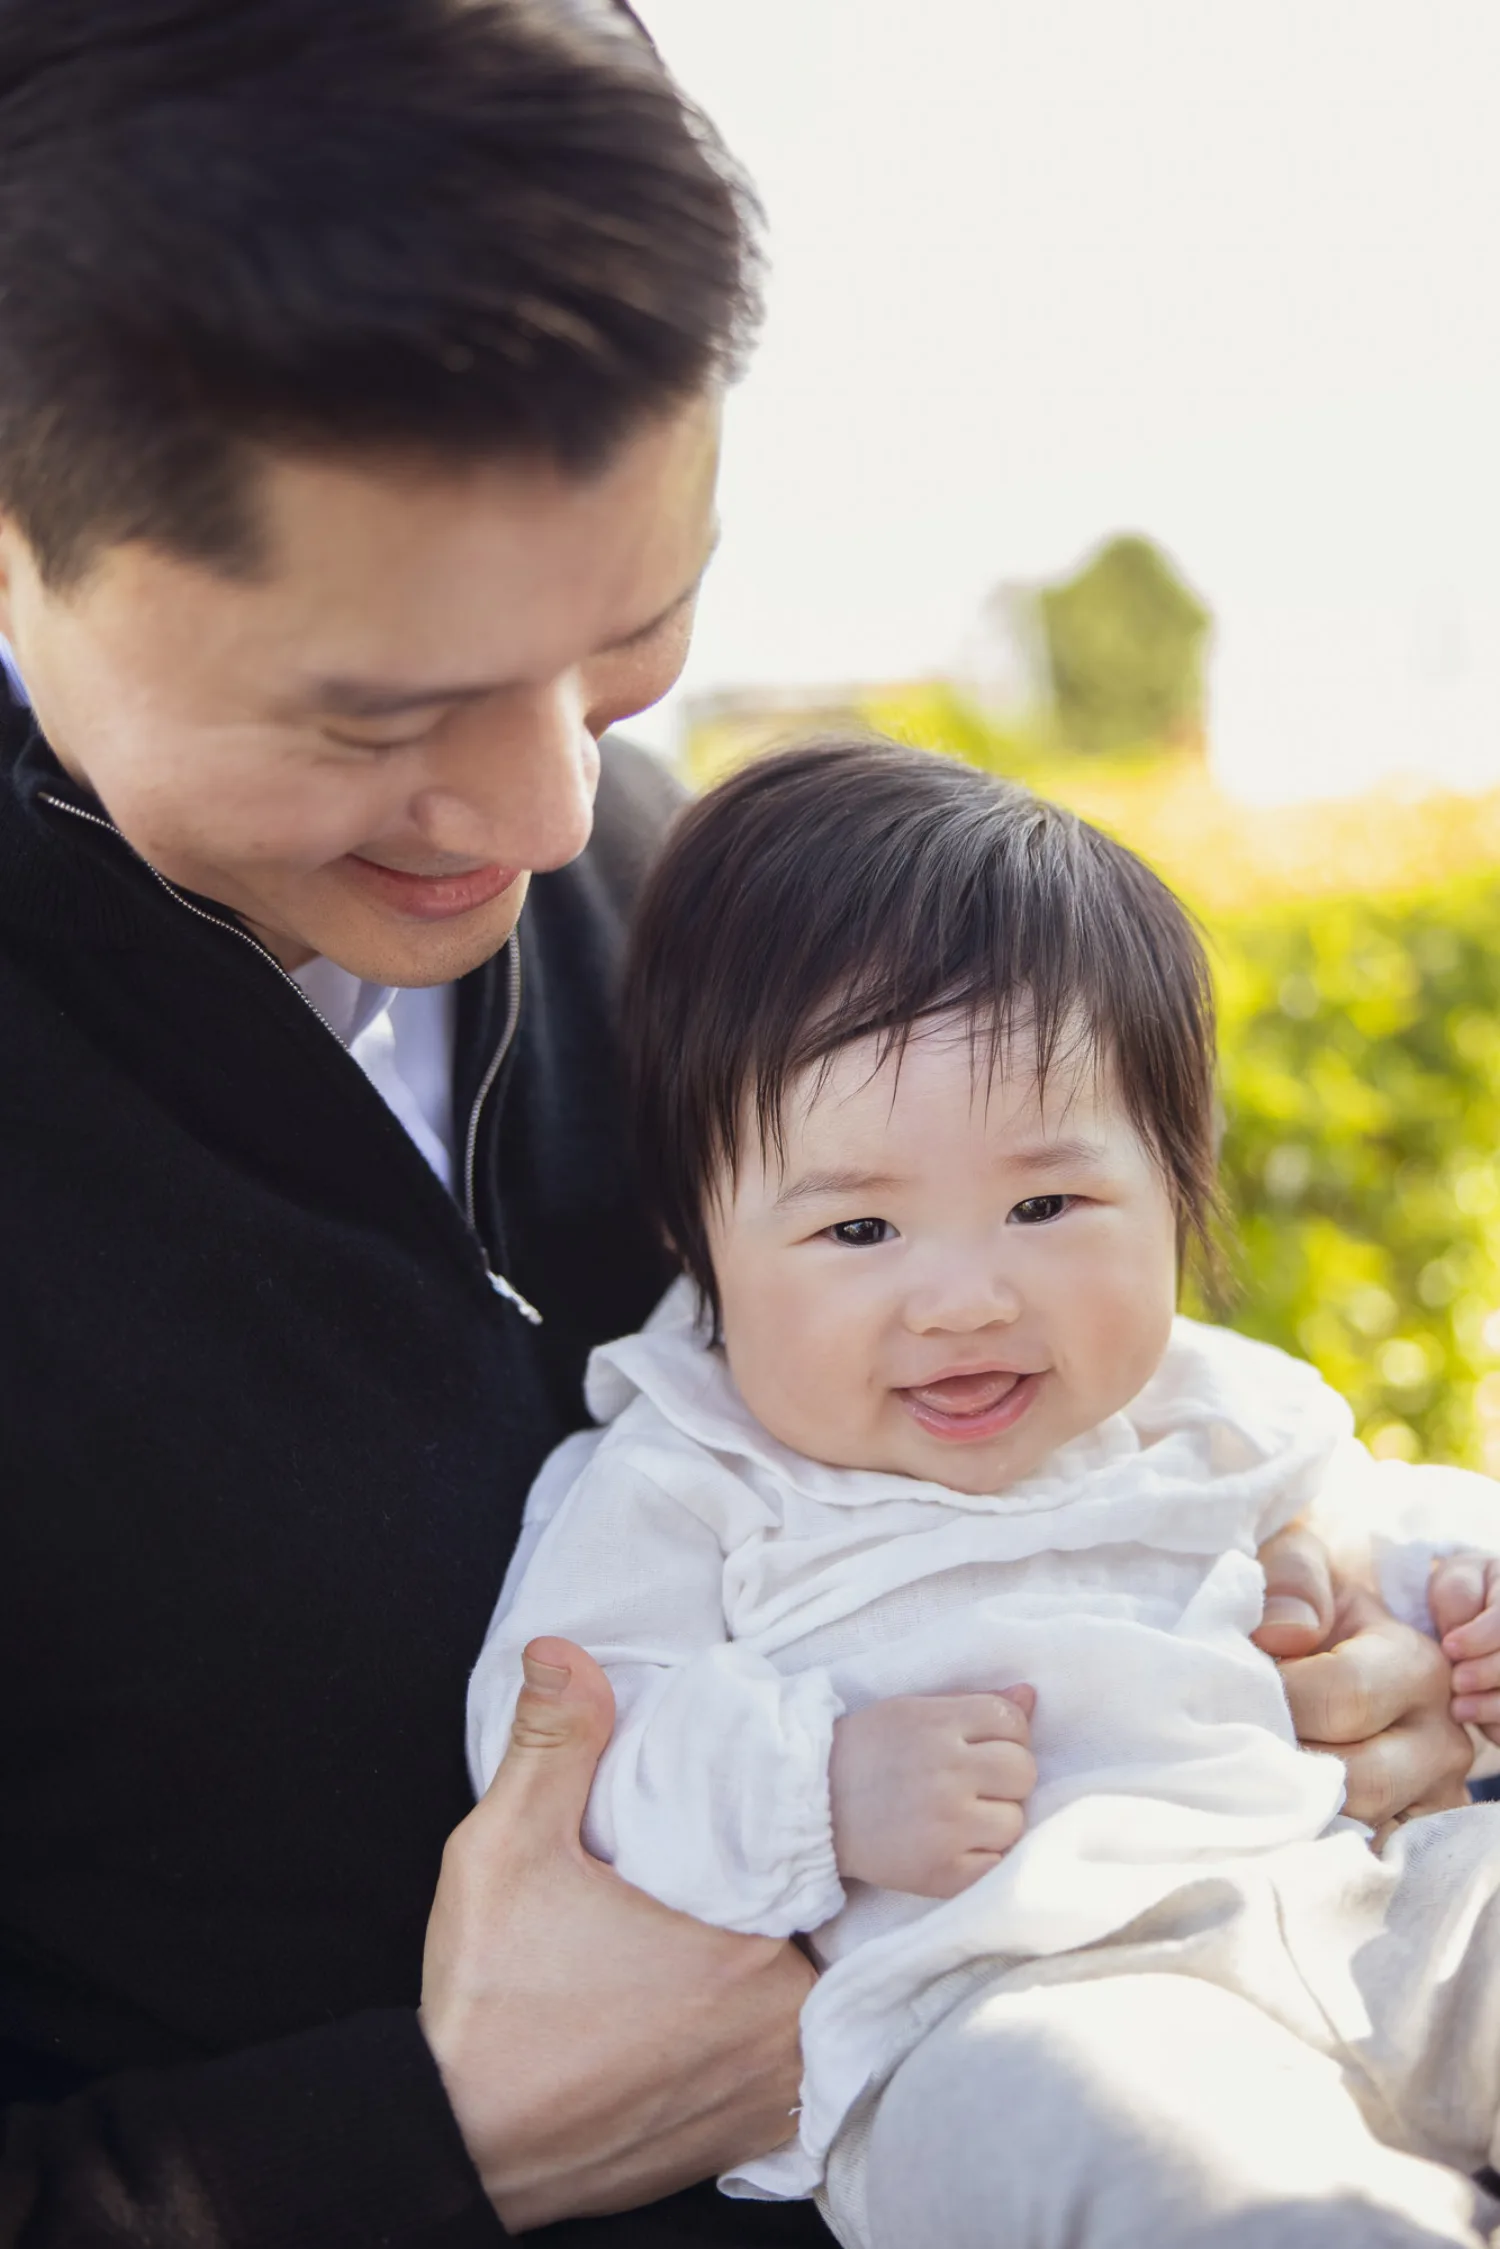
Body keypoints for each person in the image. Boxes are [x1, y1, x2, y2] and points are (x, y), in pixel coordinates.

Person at [0, 1, 1472, 2242]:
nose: (540, 815)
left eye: (632, 632)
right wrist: (419, 2143)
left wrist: (1360, 1687)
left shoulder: (730, 933)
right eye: (376, 711)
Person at [470, 738, 1500, 2248]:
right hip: (1013, 2009)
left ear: (1176, 1181)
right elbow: (563, 1734)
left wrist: (1463, 1607)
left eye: (1045, 1204)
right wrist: (814, 1792)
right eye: (861, 1231)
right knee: (1204, 2187)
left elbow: (1381, 1518)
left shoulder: (1199, 1400)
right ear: (698, 1240)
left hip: (1360, 1903)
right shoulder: (685, 1472)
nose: (963, 1298)